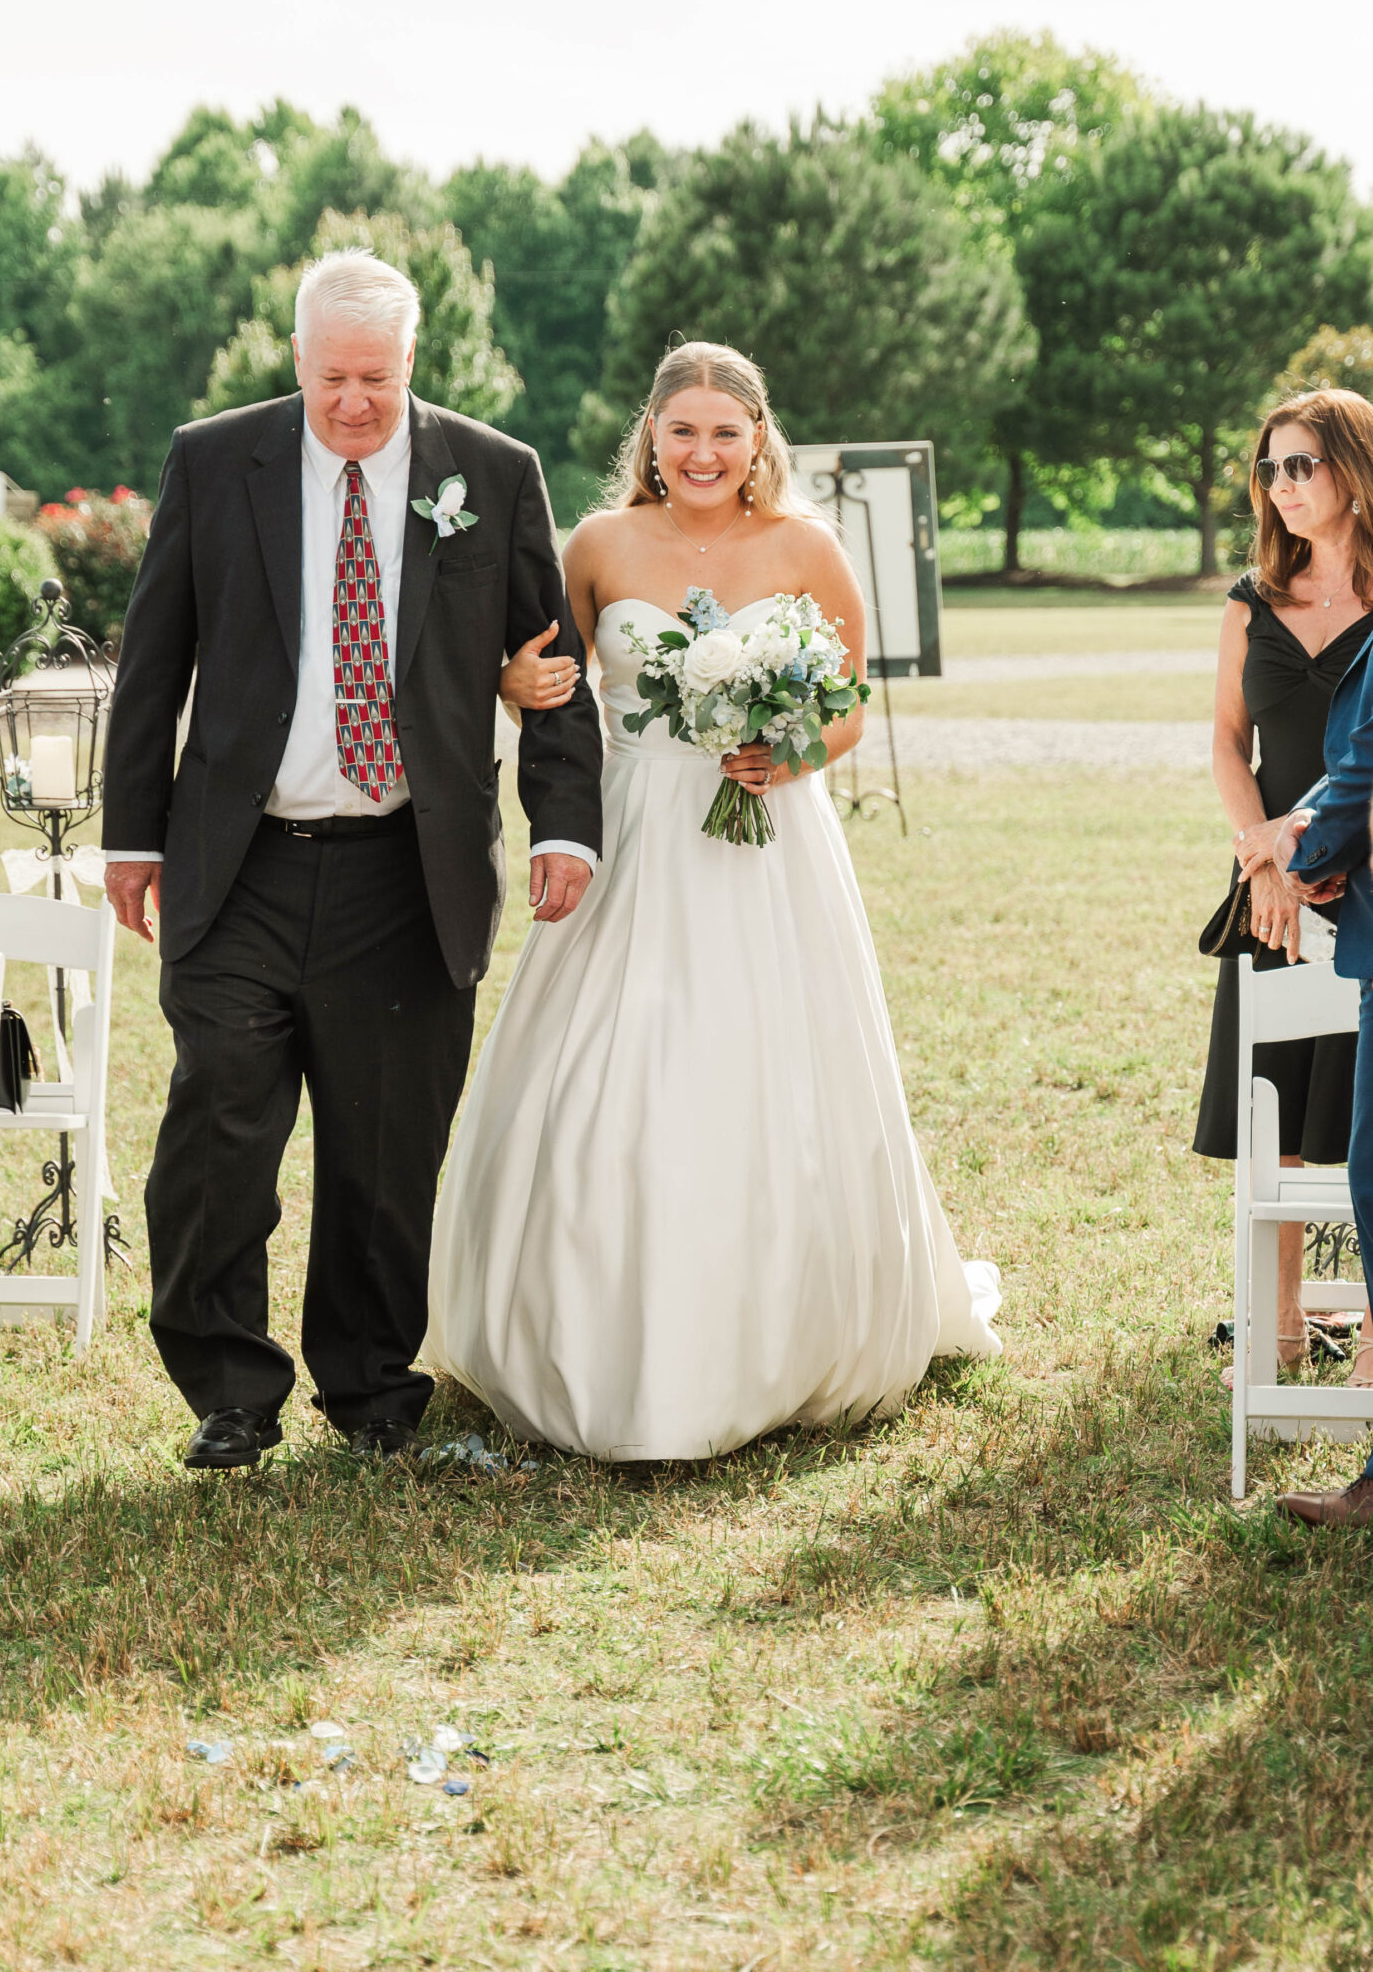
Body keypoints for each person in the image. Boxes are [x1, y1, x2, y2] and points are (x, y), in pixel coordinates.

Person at [423, 341, 1000, 1459]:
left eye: (723, 433)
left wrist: (786, 756)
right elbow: (547, 684)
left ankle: (779, 1330)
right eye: (680, 430)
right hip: (632, 834)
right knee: (609, 1064)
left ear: (756, 441)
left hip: (766, 842)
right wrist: (513, 682)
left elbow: (848, 710)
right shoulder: (594, 545)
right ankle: (582, 1327)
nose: (700, 451)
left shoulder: (805, 546)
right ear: (650, 436)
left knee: (765, 1060)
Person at [102, 249, 605, 1468]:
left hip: (406, 869)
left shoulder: (489, 474)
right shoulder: (217, 460)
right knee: (219, 1127)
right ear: (296, 360)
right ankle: (229, 1386)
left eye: (375, 379)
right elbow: (153, 653)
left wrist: (561, 820)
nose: (352, 404)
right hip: (239, 863)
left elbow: (553, 670)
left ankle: (372, 1387)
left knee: (385, 1148)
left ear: (410, 365)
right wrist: (128, 833)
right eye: (330, 377)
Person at [1196, 392, 1373, 1383]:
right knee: (1278, 1104)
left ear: (1351, 471)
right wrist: (1258, 850)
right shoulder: (1250, 597)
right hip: (1267, 883)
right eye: (1269, 468)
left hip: (1367, 878)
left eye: (1300, 464)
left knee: (1362, 1112)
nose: (1281, 485)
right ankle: (1279, 1323)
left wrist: (1346, 846)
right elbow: (1226, 742)